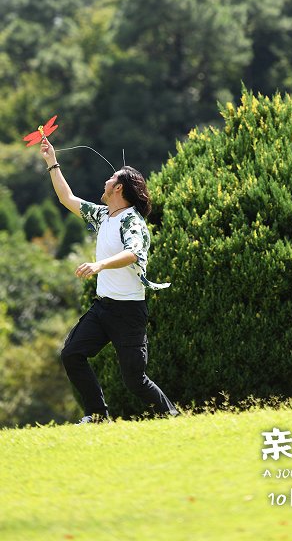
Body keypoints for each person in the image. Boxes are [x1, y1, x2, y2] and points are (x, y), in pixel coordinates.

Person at [40, 137, 178, 423]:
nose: (106, 181)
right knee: (71, 355)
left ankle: (173, 416)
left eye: (111, 179)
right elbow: (67, 199)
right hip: (103, 308)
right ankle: (98, 414)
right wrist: (52, 162)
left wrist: (99, 264)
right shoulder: (103, 215)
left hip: (128, 312)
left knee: (135, 380)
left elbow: (134, 252)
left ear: (118, 188)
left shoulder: (132, 220)